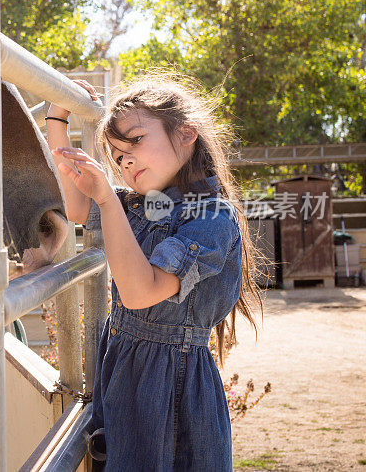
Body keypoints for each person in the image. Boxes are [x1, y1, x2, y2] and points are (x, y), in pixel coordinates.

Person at [45, 72, 266, 471]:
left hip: (174, 392)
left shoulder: (212, 217)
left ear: (186, 133)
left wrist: (108, 202)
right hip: (128, 382)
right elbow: (75, 204)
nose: (124, 160)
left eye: (134, 141)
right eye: (116, 156)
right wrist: (57, 116)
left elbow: (139, 292)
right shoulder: (147, 206)